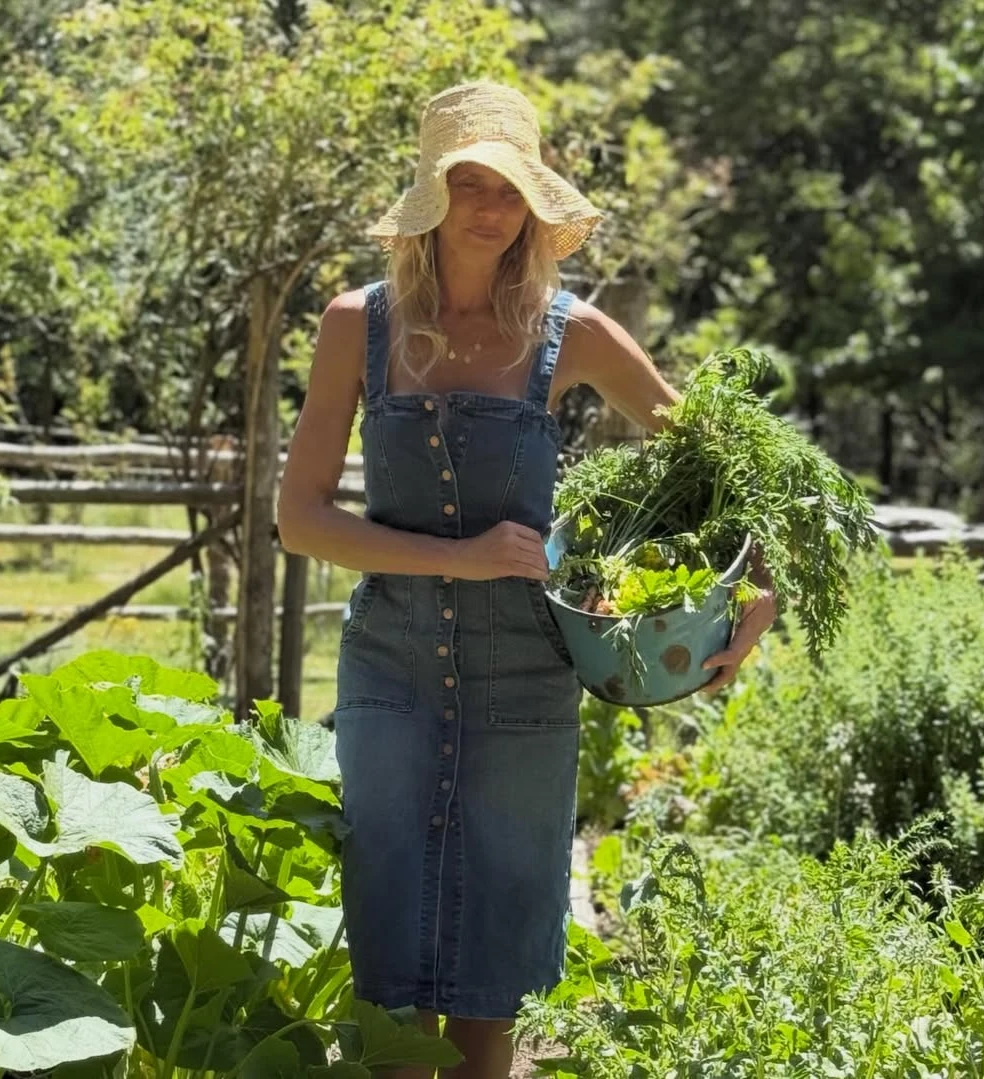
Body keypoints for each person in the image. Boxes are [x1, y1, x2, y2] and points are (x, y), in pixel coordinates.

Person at [277, 81, 776, 1079]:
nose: (491, 208)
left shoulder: (572, 331)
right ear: (433, 194)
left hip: (525, 678)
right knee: (391, 958)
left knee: (493, 967)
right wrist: (456, 556)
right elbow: (301, 518)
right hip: (389, 669)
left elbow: (709, 455)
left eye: (511, 189)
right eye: (470, 183)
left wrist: (757, 585)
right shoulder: (356, 325)